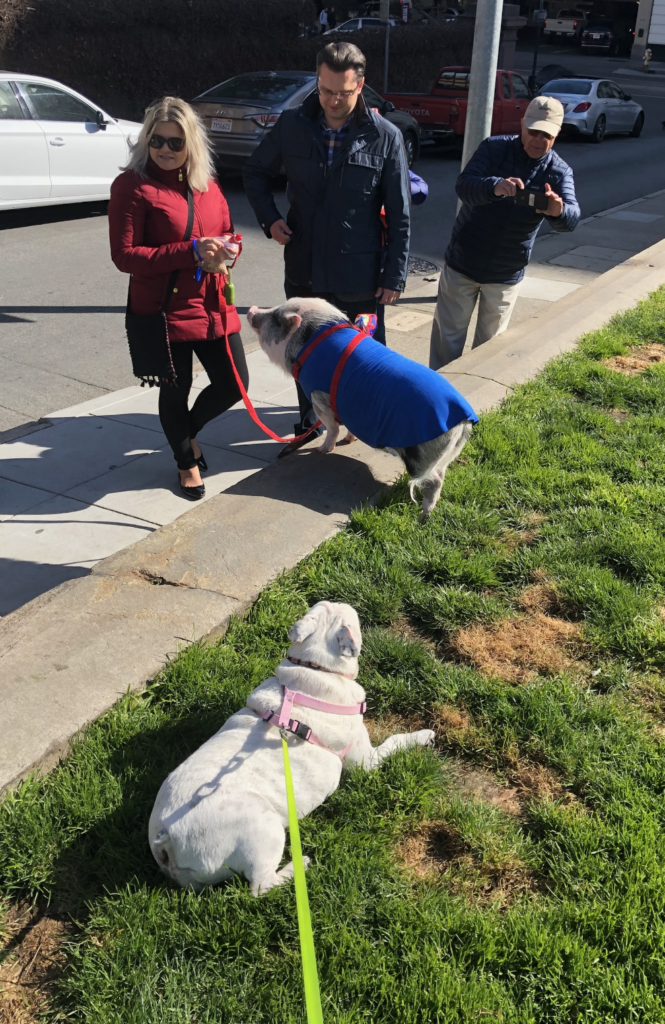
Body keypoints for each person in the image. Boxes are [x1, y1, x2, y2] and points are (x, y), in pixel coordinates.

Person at [243, 41, 411, 453]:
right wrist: (270, 219)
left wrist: (395, 275)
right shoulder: (291, 125)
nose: (334, 100)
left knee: (361, 360)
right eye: (325, 90)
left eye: (344, 92)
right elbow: (254, 173)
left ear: (361, 86)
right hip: (305, 272)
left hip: (360, 277)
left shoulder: (385, 136)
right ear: (317, 81)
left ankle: (361, 421)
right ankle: (311, 423)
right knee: (302, 357)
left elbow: (401, 211)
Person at [109, 97, 248, 501]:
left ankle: (183, 435)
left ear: (192, 144)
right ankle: (186, 461)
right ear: (146, 140)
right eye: (157, 141)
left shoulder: (207, 184)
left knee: (234, 384)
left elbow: (227, 232)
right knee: (176, 388)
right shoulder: (132, 186)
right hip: (162, 309)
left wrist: (229, 250)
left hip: (211, 302)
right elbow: (124, 256)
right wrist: (189, 251)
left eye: (175, 142)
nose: (165, 150)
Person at [429, 95, 580, 370]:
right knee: (445, 344)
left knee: (488, 351)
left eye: (546, 134)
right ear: (522, 124)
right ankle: (436, 401)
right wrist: (494, 186)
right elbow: (464, 185)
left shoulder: (559, 171)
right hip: (463, 262)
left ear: (558, 133)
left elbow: (572, 218)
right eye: (532, 131)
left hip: (505, 274)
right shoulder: (494, 148)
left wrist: (558, 211)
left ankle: (475, 406)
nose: (537, 139)